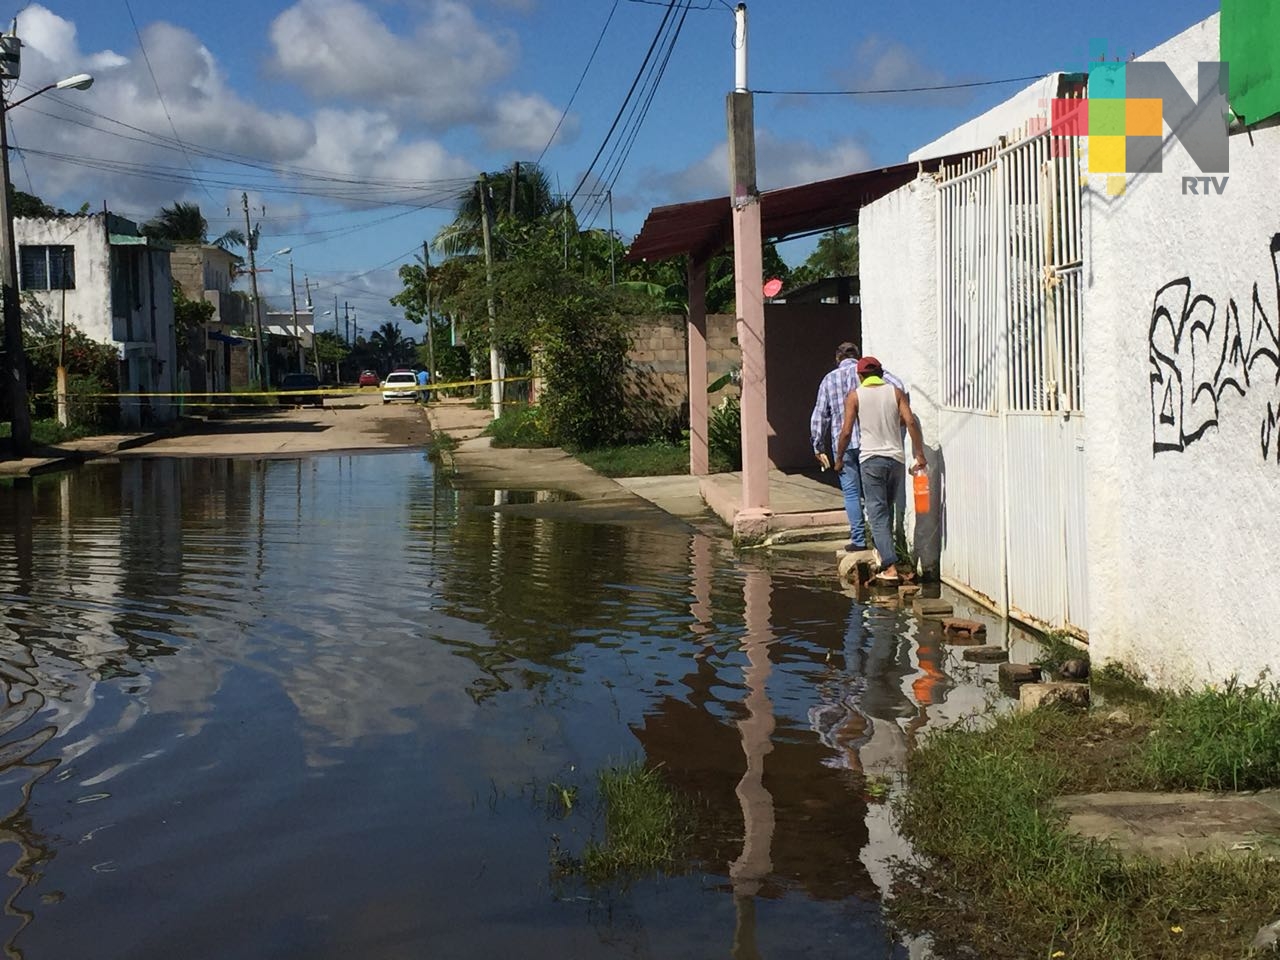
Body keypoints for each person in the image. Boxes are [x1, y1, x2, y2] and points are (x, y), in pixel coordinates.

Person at [834, 356, 926, 584]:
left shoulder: (855, 396)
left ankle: (889, 566)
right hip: (895, 459)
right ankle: (884, 553)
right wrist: (919, 453)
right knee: (886, 509)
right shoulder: (895, 393)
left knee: (877, 514)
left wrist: (838, 458)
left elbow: (846, 431)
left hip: (871, 459)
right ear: (881, 373)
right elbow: (910, 421)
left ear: (860, 376)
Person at [809, 341, 905, 552]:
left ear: (837, 358)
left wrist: (818, 446)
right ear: (858, 356)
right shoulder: (867, 373)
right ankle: (883, 543)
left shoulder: (829, 379)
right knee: (875, 495)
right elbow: (898, 385)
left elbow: (820, 415)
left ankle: (859, 540)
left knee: (851, 493)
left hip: (842, 444)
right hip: (869, 442)